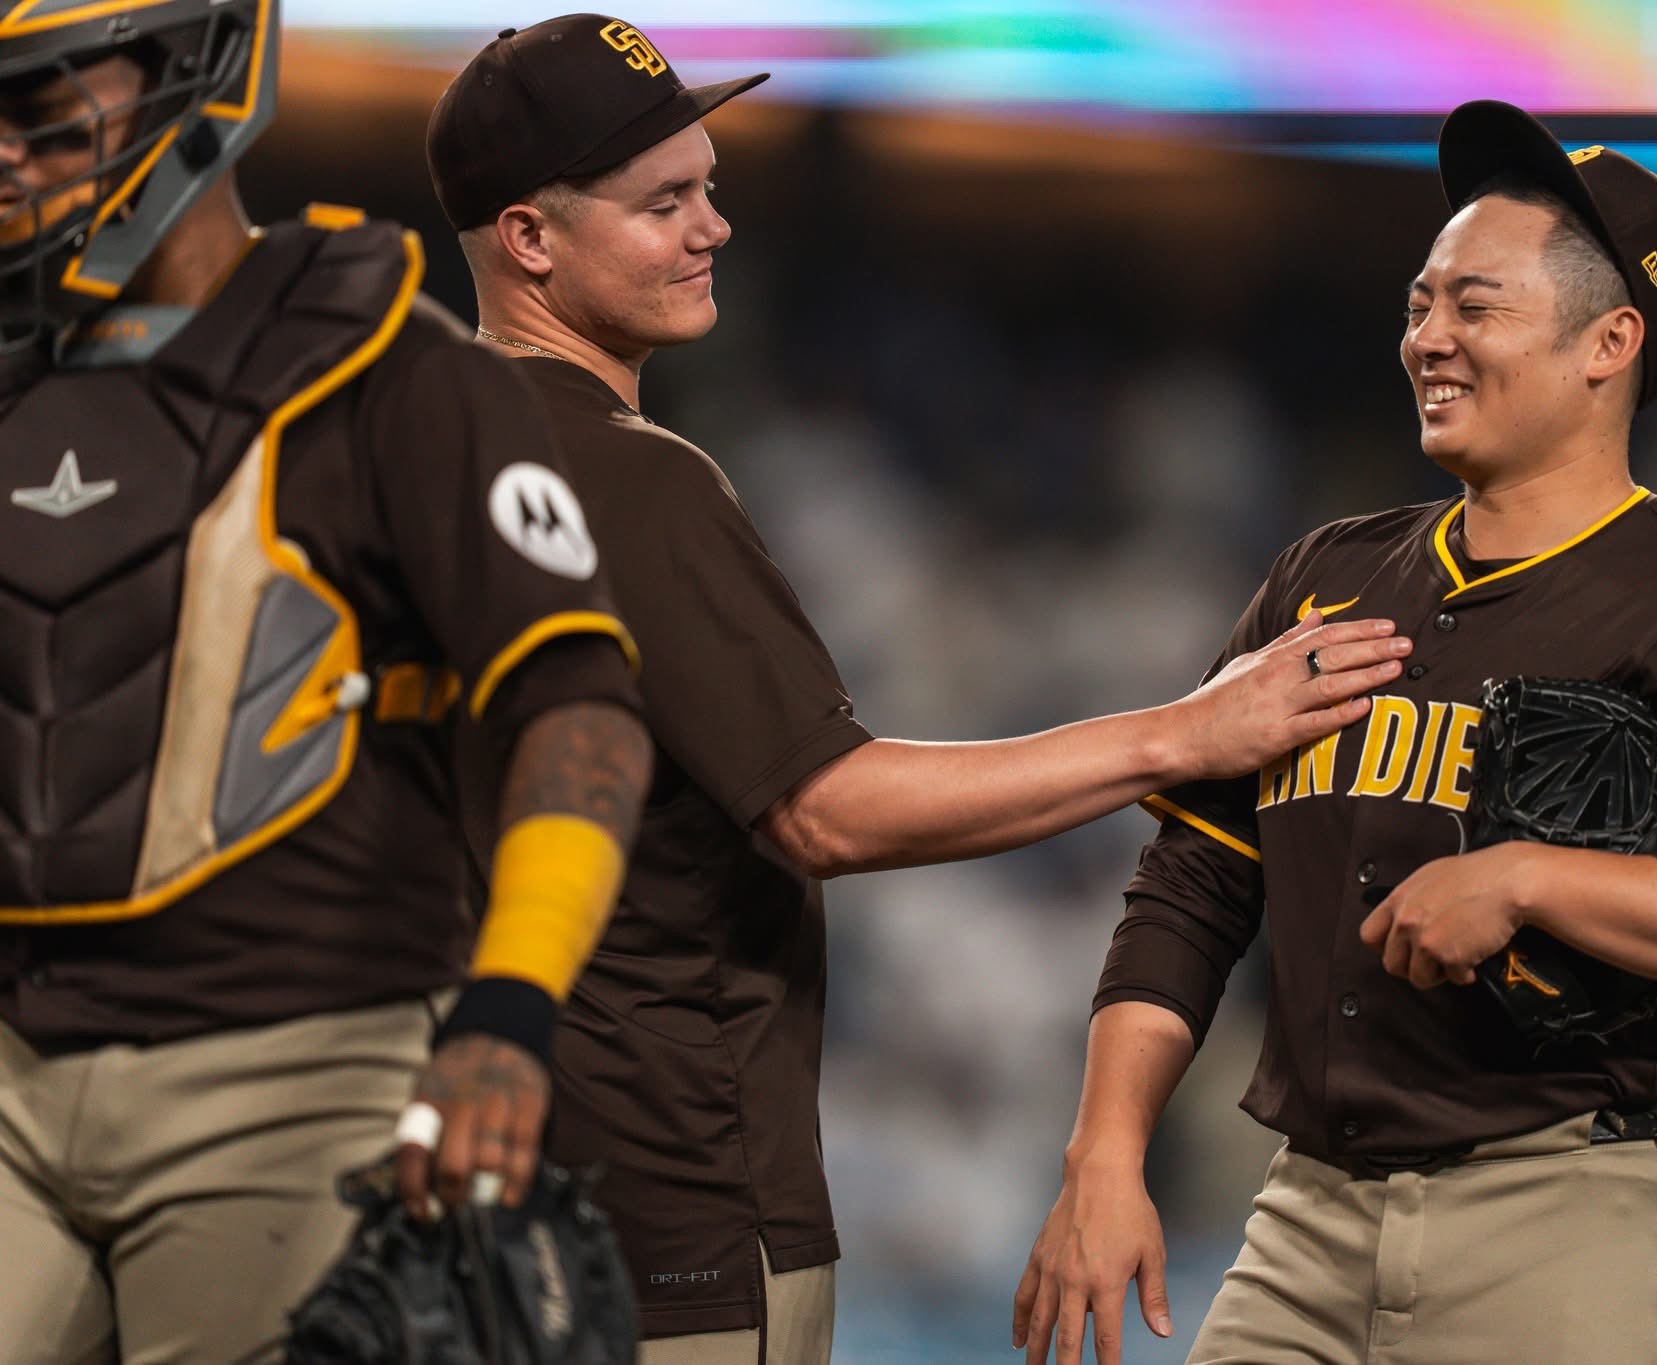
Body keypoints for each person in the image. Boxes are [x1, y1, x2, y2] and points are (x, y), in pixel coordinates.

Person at [423, 17, 1407, 1363]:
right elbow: (826, 809)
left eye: (709, 186)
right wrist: (1181, 733)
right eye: (663, 204)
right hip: (664, 1210)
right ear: (530, 238)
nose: (714, 227)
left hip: (473, 1183)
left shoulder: (405, 452)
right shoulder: (625, 476)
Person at [1014, 100, 1657, 1365]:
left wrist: (1531, 878)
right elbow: (1193, 887)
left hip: (1563, 1207)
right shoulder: (1325, 576)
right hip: (1305, 1208)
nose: (1427, 337)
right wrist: (1103, 1154)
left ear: (1608, 342)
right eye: (1420, 304)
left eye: (1475, 306)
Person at [0, 6, 654, 1361]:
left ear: (201, 75)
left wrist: (509, 1004)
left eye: (44, 111)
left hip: (291, 1064)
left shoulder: (393, 370)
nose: (5, 154)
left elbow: (579, 711)